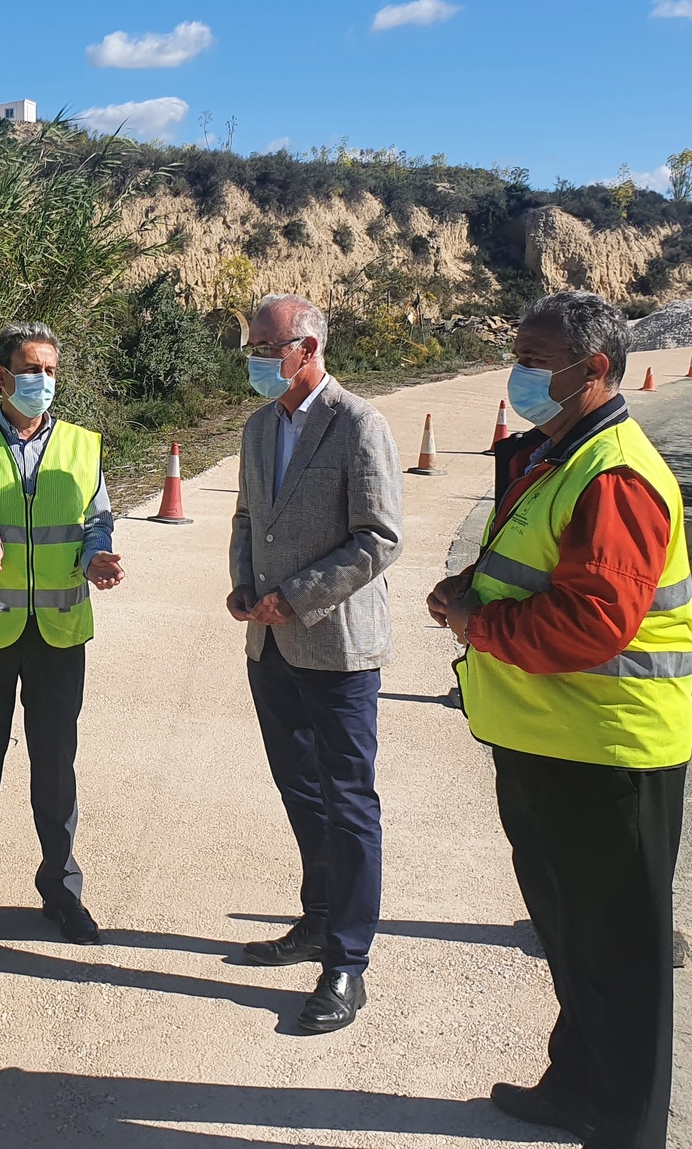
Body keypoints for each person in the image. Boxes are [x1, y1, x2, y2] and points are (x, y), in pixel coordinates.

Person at [427, 290, 692, 1149]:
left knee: (620, 958)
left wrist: (478, 626)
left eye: (536, 359)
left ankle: (625, 1128)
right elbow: (534, 569)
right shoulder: (556, 453)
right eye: (518, 353)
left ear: (597, 370)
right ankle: (575, 1084)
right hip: (549, 742)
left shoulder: (616, 474)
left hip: (609, 754)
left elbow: (593, 623)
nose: (520, 372)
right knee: (574, 943)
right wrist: (469, 590)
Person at [226, 294, 403, 1035]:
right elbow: (246, 517)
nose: (257, 357)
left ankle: (347, 964)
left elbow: (377, 538)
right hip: (269, 645)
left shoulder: (359, 423)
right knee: (300, 787)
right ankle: (318, 918)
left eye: (268, 344)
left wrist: (294, 598)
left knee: (348, 800)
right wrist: (243, 583)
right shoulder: (260, 426)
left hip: (334, 646)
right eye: (253, 345)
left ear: (308, 346)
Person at [0, 320, 123, 949]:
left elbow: (98, 521)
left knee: (56, 770)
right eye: (31, 369)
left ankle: (61, 894)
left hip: (60, 631)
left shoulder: (84, 447)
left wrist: (99, 556)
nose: (42, 381)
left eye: (51, 371)